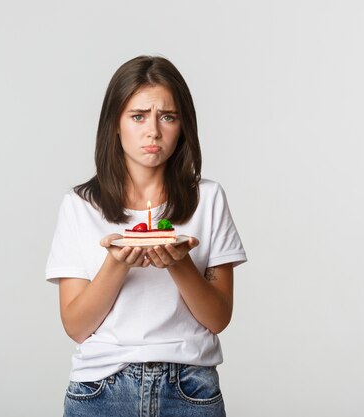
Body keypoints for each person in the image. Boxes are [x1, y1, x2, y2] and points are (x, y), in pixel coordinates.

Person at [46, 55, 247, 417]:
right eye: (138, 116)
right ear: (115, 124)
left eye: (167, 117)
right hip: (101, 389)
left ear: (183, 125)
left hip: (190, 390)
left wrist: (179, 263)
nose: (153, 131)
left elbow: (218, 318)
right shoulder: (79, 206)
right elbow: (75, 327)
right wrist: (117, 263)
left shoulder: (209, 199)